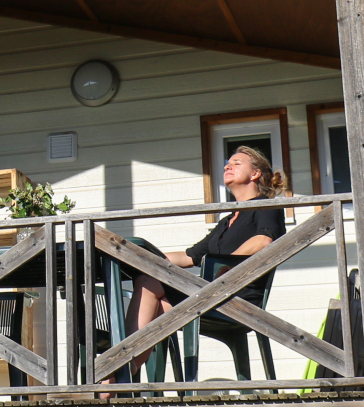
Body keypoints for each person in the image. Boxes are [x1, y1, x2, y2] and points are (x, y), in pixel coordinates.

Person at [107, 146, 289, 391]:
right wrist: (139, 257)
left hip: (237, 298)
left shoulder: (266, 206)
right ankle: (120, 381)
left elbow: (264, 240)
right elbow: (189, 256)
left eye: (236, 163)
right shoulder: (228, 219)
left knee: (148, 283)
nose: (227, 166)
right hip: (213, 293)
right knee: (159, 305)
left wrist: (224, 267)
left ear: (255, 174)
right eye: (227, 163)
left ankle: (116, 374)